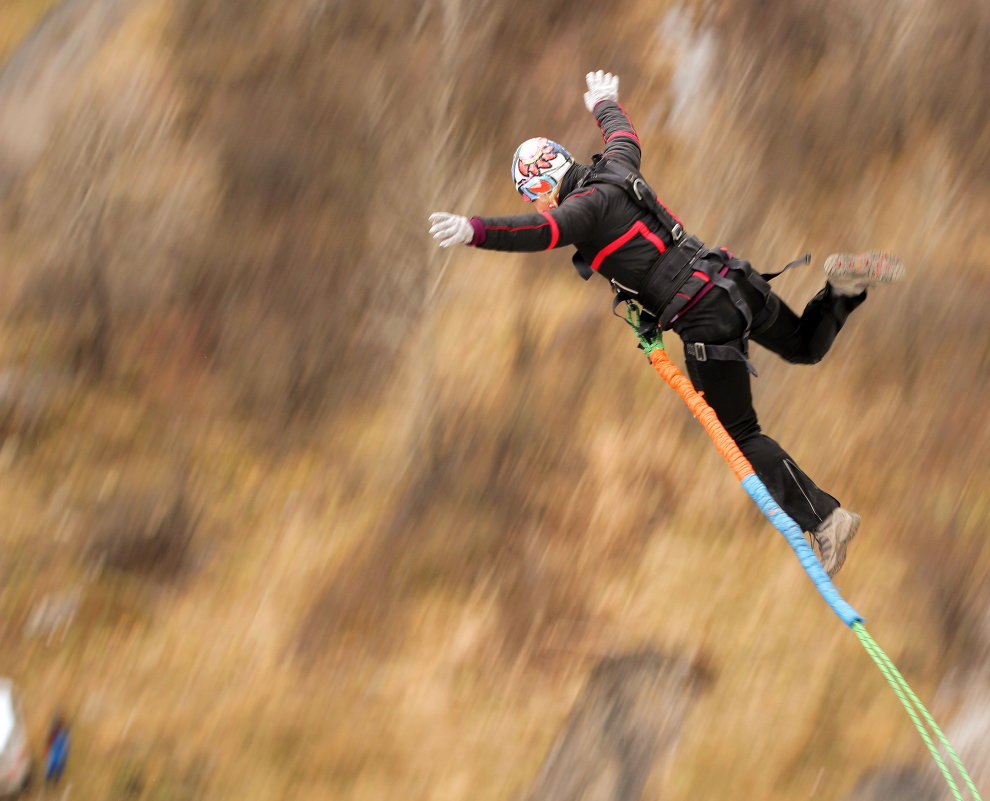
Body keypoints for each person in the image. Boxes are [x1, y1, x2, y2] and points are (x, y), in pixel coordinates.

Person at [428, 71, 904, 578]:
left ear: (543, 185)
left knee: (740, 434)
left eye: (534, 195)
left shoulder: (582, 210)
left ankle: (827, 520)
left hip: (703, 316)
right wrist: (606, 103)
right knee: (806, 347)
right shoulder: (615, 167)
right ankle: (843, 289)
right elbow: (623, 136)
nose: (539, 204)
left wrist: (474, 231)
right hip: (731, 278)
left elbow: (541, 233)